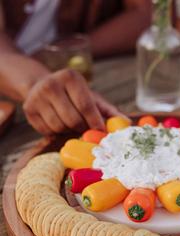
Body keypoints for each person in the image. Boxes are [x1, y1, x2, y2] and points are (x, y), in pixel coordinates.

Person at [0, 0, 151, 135]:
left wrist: (73, 50)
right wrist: (37, 81)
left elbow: (146, 13)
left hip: (95, 76)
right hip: (13, 92)